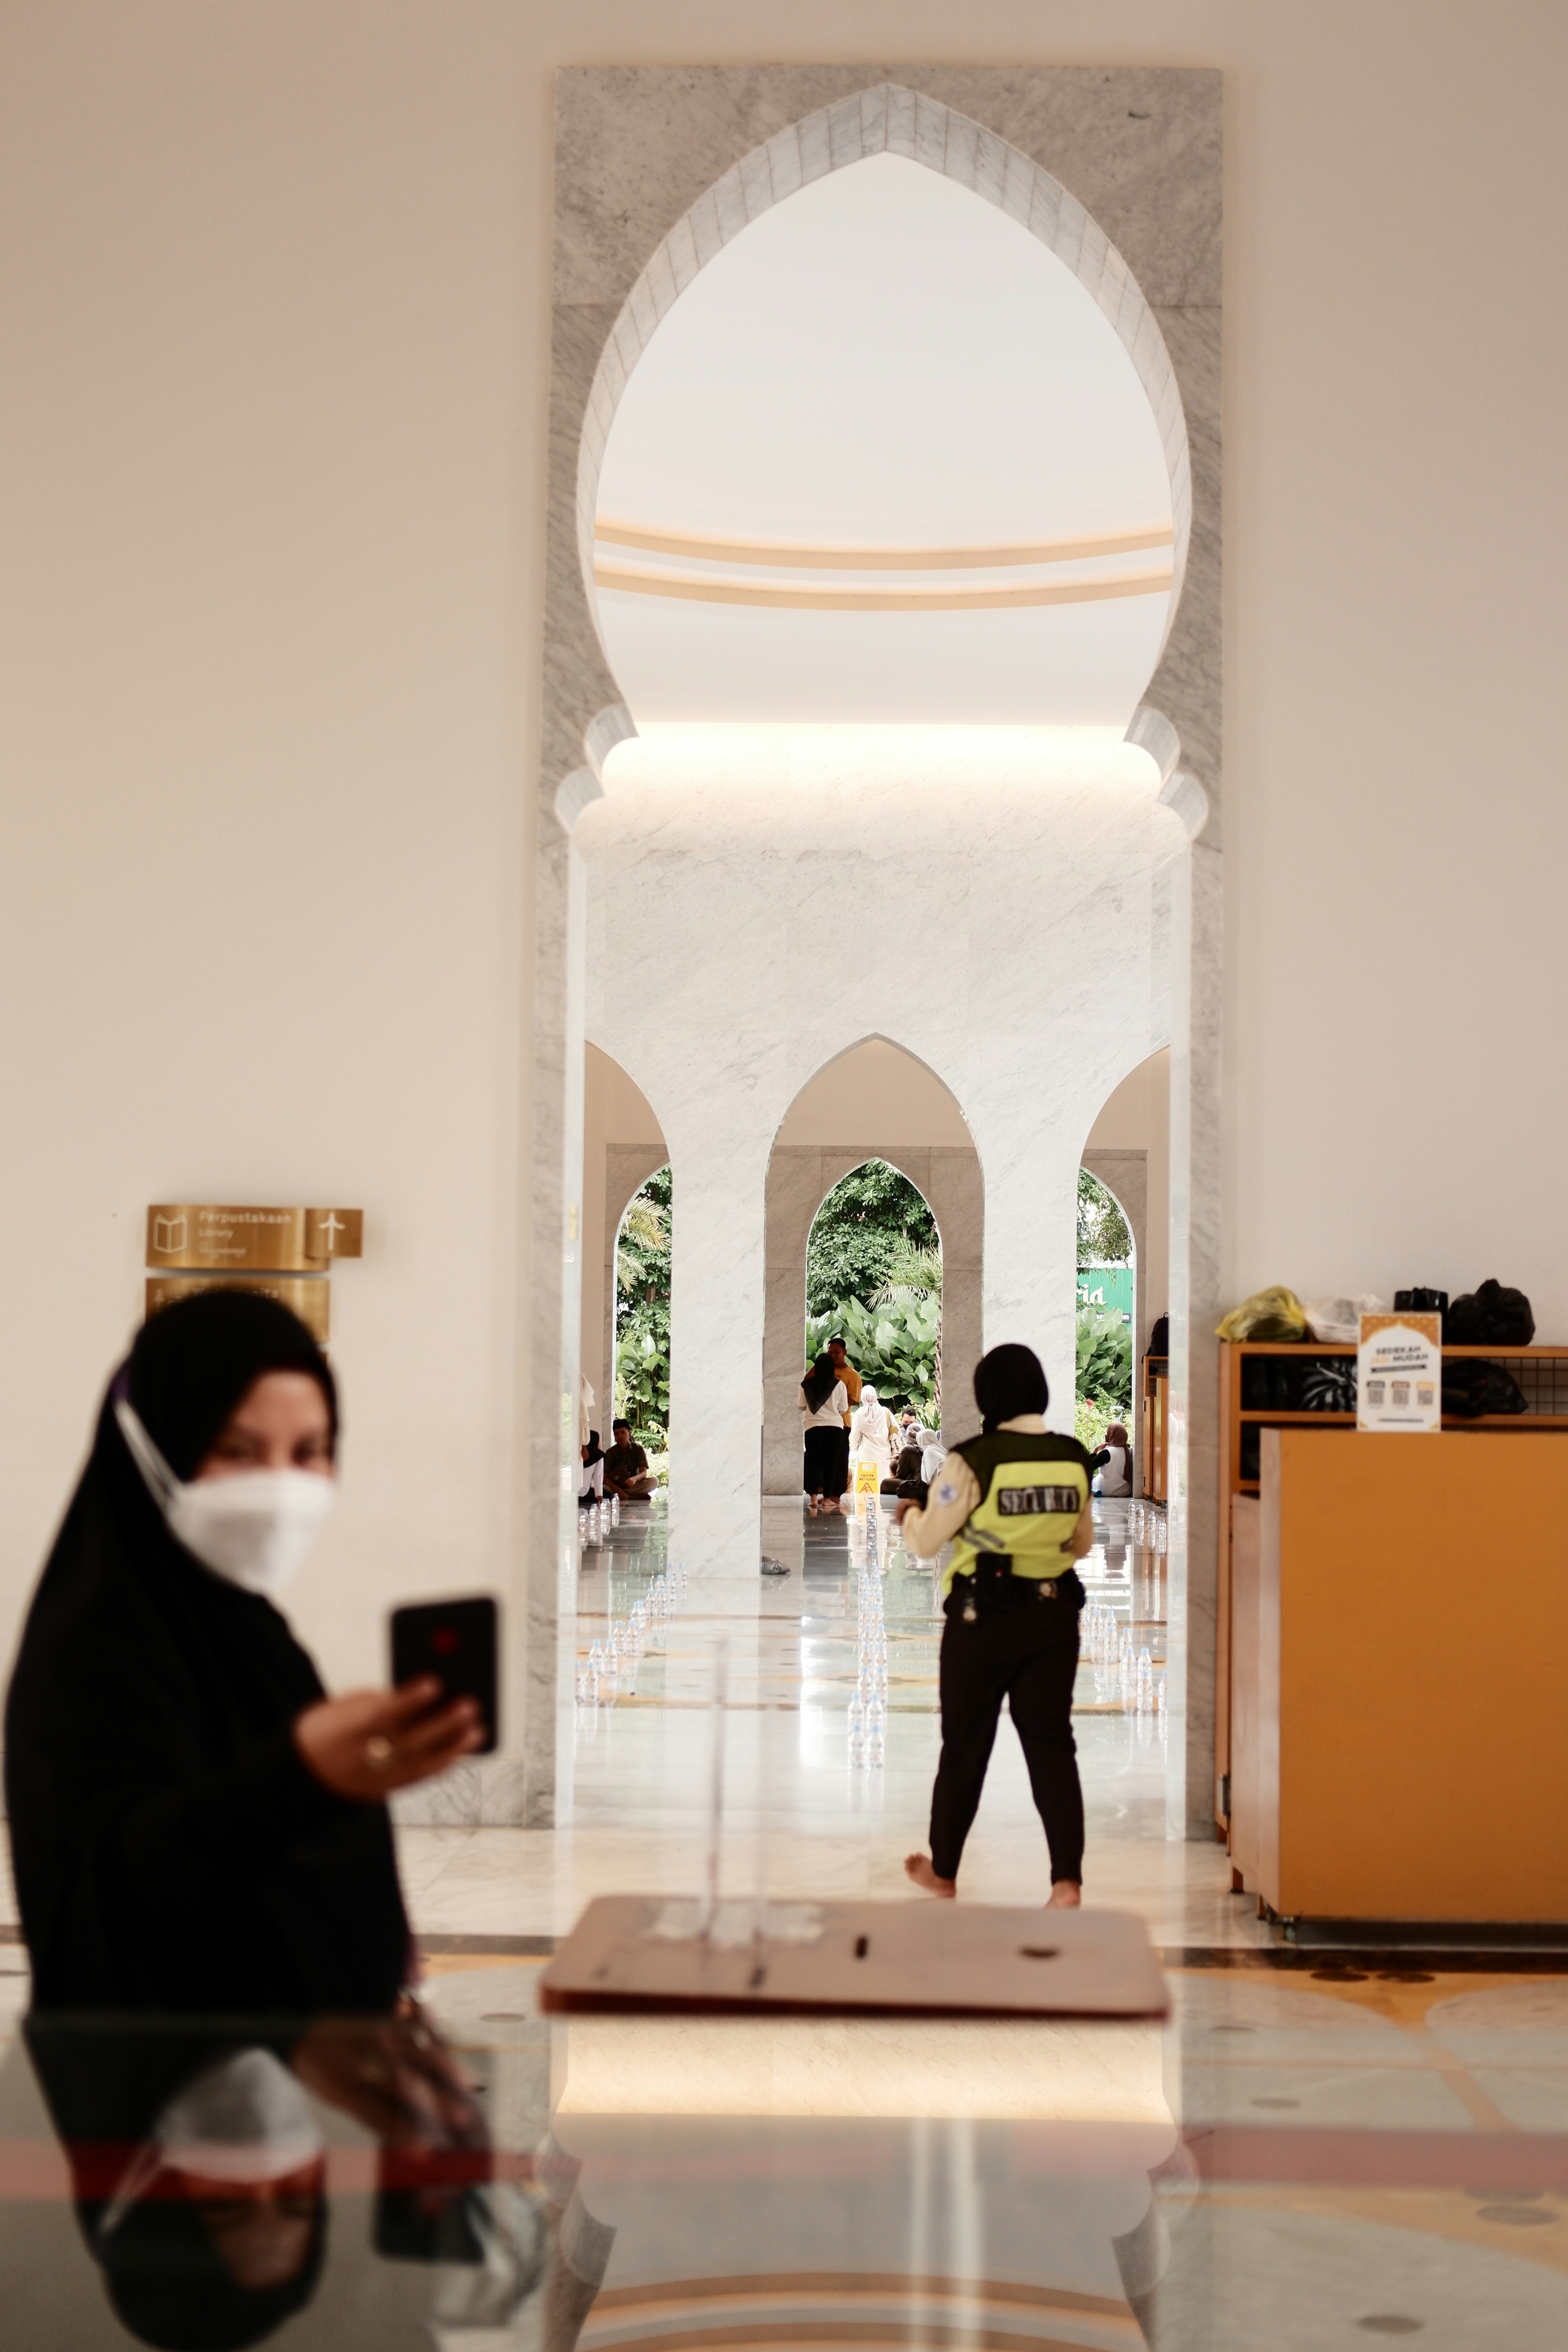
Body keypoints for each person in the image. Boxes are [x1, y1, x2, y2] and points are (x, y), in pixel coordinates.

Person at [4, 1288, 485, 2014]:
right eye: (239, 1450)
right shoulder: (94, 1650)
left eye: (310, 1453)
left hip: (303, 2091)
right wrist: (300, 1776)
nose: (281, 1485)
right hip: (155, 2100)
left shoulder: (252, 1635)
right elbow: (115, 1899)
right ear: (155, 1445)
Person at [896, 1343, 1096, 1910]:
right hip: (1054, 1618)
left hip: (982, 1620)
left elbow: (930, 1540)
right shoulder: (1072, 1457)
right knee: (1053, 1746)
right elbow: (1080, 1544)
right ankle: (1066, 1882)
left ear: (989, 1397)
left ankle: (945, 1871)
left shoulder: (972, 1460)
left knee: (965, 1746)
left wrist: (911, 1515)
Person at [799, 1352, 848, 1516]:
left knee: (812, 1462)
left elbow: (801, 1406)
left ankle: (813, 1499)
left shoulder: (805, 1385)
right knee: (831, 1463)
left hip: (812, 1427)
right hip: (835, 1429)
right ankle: (827, 1499)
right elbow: (843, 1408)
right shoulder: (839, 1385)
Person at [849, 1384, 898, 1488]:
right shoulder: (885, 1412)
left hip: (866, 1455)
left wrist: (854, 1450)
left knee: (867, 1485)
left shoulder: (859, 1414)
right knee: (882, 1481)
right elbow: (895, 1430)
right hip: (885, 1455)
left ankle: (864, 1502)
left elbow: (855, 1437)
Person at [602, 1418, 655, 1501]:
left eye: (623, 1433)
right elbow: (604, 1477)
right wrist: (617, 1489)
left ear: (630, 1433)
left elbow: (644, 1473)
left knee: (654, 1481)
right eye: (616, 1434)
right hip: (615, 1485)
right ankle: (630, 1497)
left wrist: (635, 1479)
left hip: (633, 1484)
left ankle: (622, 1496)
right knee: (603, 1489)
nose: (620, 1436)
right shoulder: (611, 1452)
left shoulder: (638, 1449)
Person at [824, 1334, 862, 1427]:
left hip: (842, 1424)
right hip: (823, 1423)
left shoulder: (853, 1375)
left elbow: (854, 1400)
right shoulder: (824, 1370)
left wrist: (831, 1404)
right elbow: (806, 1381)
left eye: (837, 1352)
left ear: (845, 1352)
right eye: (830, 1353)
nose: (833, 1356)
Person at [1094, 1421, 1134, 1497]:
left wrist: (1096, 1449)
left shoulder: (1107, 1452)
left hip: (1105, 1490)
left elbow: (1089, 1466)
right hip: (1124, 1491)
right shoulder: (1129, 1451)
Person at [578, 1430, 604, 1508]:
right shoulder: (599, 1455)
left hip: (571, 1493)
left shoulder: (576, 1453)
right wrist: (599, 1495)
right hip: (584, 1494)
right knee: (610, 1495)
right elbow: (598, 1477)